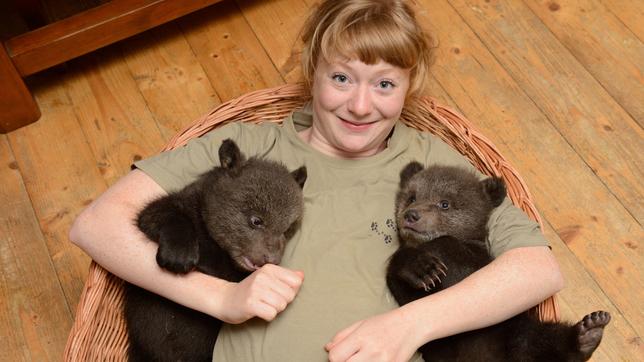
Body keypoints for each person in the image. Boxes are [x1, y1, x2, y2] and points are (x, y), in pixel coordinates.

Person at [69, 0, 564, 361]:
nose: (361, 105)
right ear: (312, 69)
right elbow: (96, 225)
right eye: (341, 78)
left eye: (385, 84)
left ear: (411, 85)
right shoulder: (249, 146)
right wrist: (221, 297)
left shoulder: (431, 164)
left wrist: (410, 325)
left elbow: (537, 269)